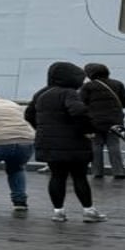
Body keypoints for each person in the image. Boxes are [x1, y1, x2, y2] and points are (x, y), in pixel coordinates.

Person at [25, 62, 107, 222]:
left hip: (49, 143)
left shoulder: (41, 94)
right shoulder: (69, 93)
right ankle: (89, 211)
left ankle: (58, 212)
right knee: (79, 176)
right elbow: (78, 112)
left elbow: (28, 115)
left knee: (57, 176)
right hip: (74, 142)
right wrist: (88, 129)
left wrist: (43, 129)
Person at [80, 63, 125, 179]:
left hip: (95, 121)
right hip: (114, 120)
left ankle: (97, 172)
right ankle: (118, 172)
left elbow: (82, 103)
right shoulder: (118, 84)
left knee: (96, 146)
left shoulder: (88, 86)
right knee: (114, 145)